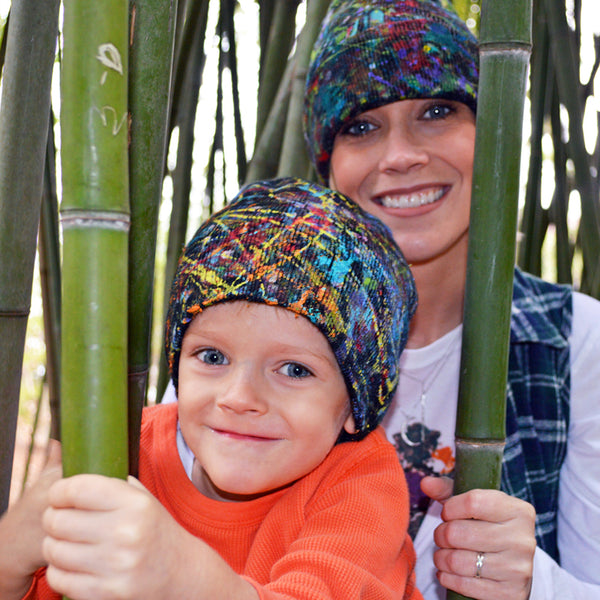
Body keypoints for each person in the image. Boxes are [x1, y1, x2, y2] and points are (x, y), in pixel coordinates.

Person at [0, 177, 423, 600]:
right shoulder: (126, 447)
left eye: (294, 370)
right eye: (213, 357)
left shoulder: (360, 481)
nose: (238, 398)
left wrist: (184, 576)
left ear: (356, 403)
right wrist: (12, 553)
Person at [303, 1, 600, 599]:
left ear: (489, 133)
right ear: (328, 167)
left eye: (437, 112)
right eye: (361, 126)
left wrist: (533, 582)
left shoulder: (576, 341)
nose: (401, 155)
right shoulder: (256, 321)